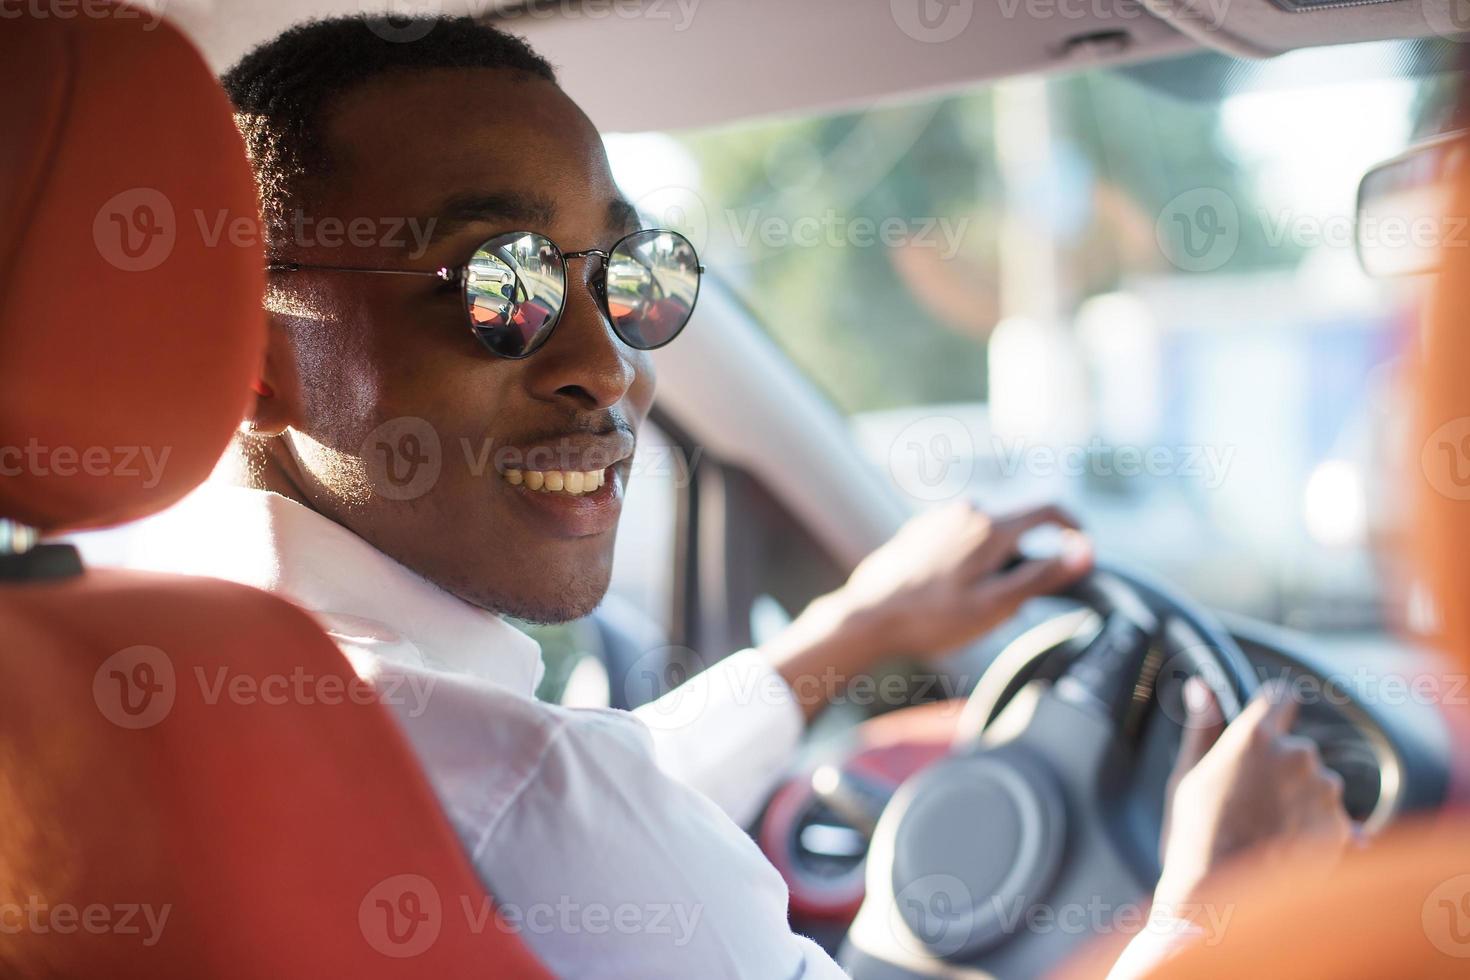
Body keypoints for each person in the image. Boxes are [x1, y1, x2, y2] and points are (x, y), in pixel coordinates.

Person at [77, 15, 1354, 977]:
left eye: (629, 274)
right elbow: (562, 811)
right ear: (254, 355)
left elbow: (572, 790)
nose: (610, 366)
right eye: (495, 281)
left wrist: (839, 638)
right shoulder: (532, 808)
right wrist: (1215, 915)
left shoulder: (132, 667)